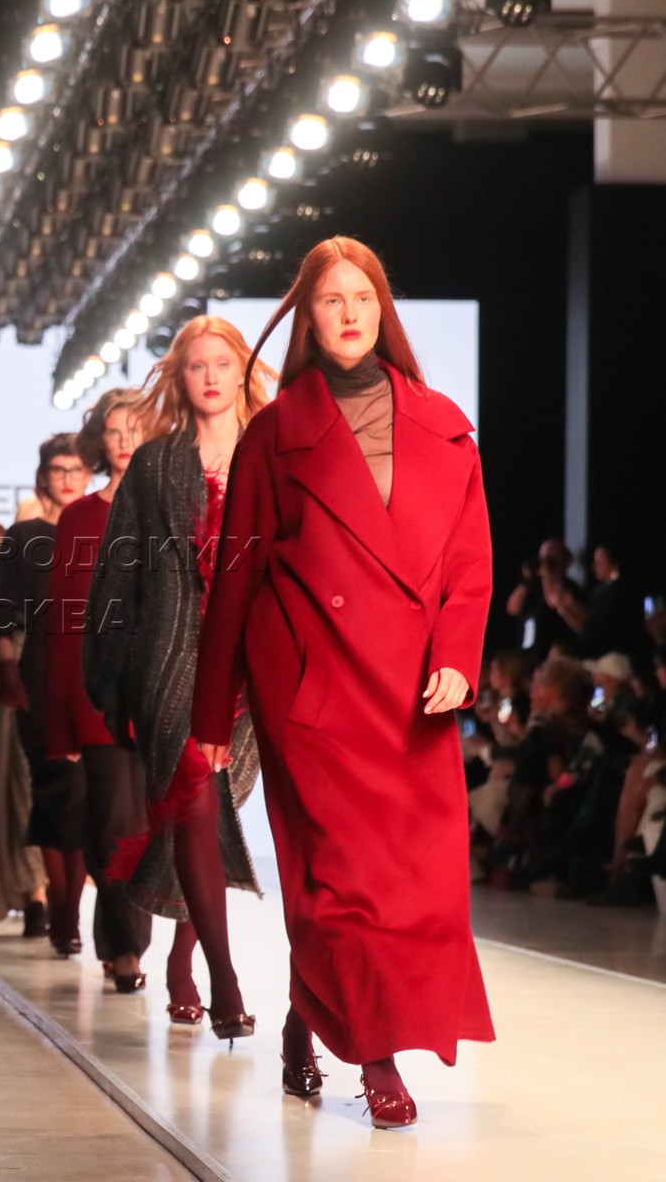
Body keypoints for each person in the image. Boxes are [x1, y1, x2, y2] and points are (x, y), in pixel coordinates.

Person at [193, 236, 495, 1128]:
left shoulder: (443, 425)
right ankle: (376, 1058)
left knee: (412, 887)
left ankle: (305, 1018)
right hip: (313, 685)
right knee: (340, 882)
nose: (349, 313)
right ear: (308, 318)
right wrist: (212, 714)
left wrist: (456, 656)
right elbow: (236, 579)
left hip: (413, 693)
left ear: (383, 310)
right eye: (331, 300)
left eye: (362, 297)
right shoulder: (273, 434)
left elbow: (469, 562)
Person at [85, 317, 272, 1038]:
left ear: (242, 370)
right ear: (179, 377)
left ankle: (183, 956)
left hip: (254, 664)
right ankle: (225, 980)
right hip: (170, 659)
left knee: (217, 807)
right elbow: (118, 572)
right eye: (197, 365)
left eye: (223, 362)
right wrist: (110, 677)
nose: (211, 376)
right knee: (194, 801)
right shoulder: (156, 464)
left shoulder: (271, 452)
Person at [43, 389, 154, 987]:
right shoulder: (81, 518)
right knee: (113, 825)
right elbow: (64, 621)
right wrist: (62, 717)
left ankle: (123, 943)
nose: (124, 440)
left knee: (147, 825)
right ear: (99, 441)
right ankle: (126, 947)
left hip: (159, 687)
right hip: (98, 695)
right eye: (113, 431)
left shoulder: (169, 506)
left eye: (134, 428)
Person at [0, 433, 87, 948]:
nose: (69, 478)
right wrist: (8, 671)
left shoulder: (105, 528)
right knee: (52, 793)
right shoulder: (24, 537)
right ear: (43, 478)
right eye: (59, 470)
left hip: (93, 675)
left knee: (87, 796)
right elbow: (3, 614)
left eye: (77, 469)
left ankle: (69, 911)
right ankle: (63, 909)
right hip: (39, 673)